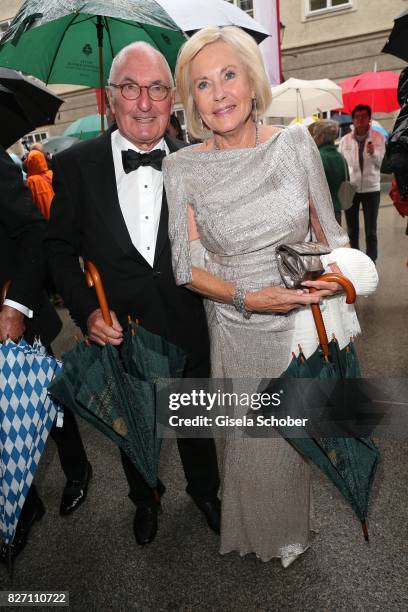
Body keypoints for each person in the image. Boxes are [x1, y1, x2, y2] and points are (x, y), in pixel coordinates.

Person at [162, 26, 351, 567]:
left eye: (228, 75)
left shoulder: (295, 145)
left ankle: (291, 531)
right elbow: (187, 267)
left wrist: (326, 283)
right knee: (250, 444)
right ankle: (254, 533)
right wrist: (249, 298)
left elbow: (331, 235)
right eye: (202, 83)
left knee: (294, 443)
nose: (219, 93)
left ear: (251, 81)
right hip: (236, 321)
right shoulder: (181, 167)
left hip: (297, 317)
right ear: (191, 99)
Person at [46, 42, 220, 547]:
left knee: (196, 420)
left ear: (172, 98)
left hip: (189, 321)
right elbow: (57, 248)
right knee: (134, 425)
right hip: (121, 330)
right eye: (130, 88)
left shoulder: (198, 163)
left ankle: (205, 491)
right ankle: (145, 499)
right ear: (109, 98)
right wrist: (85, 312)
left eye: (157, 89)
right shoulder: (77, 165)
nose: (144, 103)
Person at [0, 146, 90, 563]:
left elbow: (34, 230)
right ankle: (23, 503)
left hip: (10, 310)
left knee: (45, 396)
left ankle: (77, 468)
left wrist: (15, 304)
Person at [339, 104, 385, 263]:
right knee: (352, 230)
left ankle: (371, 261)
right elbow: (341, 165)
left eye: (363, 116)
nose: (360, 120)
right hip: (350, 188)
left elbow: (382, 164)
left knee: (371, 230)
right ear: (353, 119)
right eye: (357, 117)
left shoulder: (378, 138)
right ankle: (356, 262)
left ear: (369, 119)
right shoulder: (345, 140)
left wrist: (373, 154)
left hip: (372, 189)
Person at [312, 120, 348, 225]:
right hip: (337, 208)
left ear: (322, 136)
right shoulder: (341, 157)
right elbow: (346, 180)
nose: (313, 137)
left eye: (315, 134)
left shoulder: (318, 157)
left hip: (321, 212)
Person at [25, 149, 54, 220]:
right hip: (60, 213)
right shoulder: (52, 173)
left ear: (29, 163)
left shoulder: (31, 181)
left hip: (45, 218)